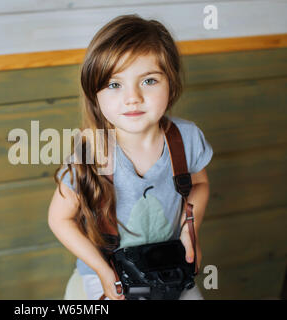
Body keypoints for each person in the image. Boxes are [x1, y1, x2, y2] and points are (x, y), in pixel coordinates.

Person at [47, 14, 213, 300]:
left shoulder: (186, 138)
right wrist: (101, 269)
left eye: (149, 80)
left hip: (166, 265)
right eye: (114, 84)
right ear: (94, 93)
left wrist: (190, 231)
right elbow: (60, 219)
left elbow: (199, 185)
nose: (133, 97)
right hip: (109, 273)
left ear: (170, 84)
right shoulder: (90, 153)